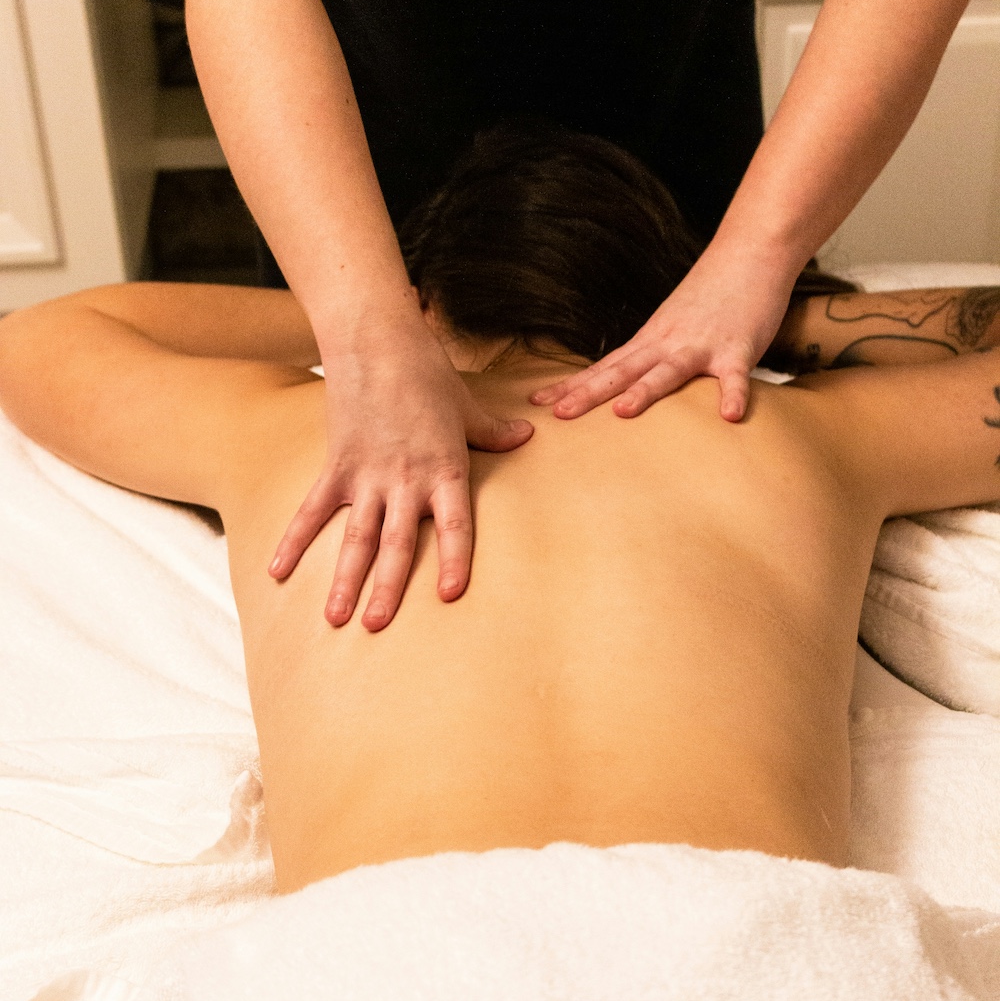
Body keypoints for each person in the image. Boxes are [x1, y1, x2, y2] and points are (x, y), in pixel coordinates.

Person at [1, 124, 999, 892]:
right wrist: (778, 313)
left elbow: (40, 337)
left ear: (431, 297)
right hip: (758, 940)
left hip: (373, 955)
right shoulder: (792, 435)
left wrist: (378, 320)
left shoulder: (293, 431)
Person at [146, 0, 994, 631]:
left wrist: (757, 263)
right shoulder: (808, 446)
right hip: (357, 165)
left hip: (668, 157)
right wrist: (363, 331)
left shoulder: (794, 442)